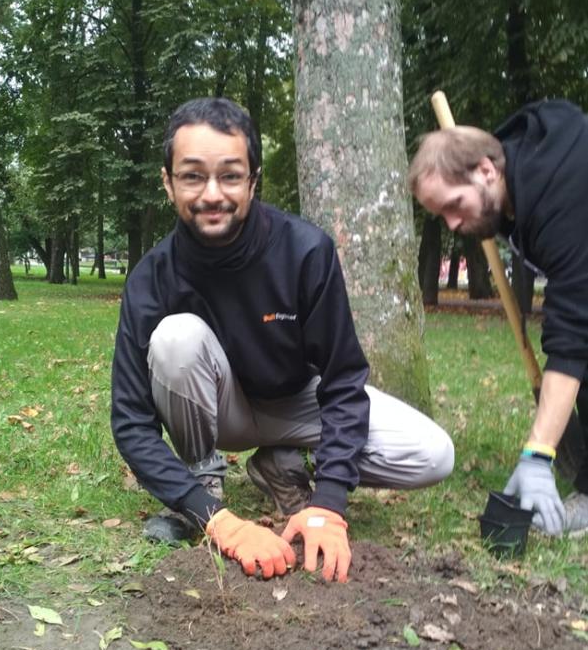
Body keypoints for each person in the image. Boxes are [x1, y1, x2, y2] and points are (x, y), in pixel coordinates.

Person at [111, 97, 454, 582]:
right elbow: (131, 423)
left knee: (432, 453)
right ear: (167, 183)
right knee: (175, 338)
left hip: (297, 402)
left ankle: (286, 465)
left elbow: (342, 381)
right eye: (192, 176)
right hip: (219, 408)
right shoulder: (151, 279)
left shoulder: (306, 251)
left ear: (253, 181)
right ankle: (203, 481)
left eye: (230, 175)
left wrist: (330, 502)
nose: (212, 193)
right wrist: (217, 520)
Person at [408, 98, 588, 538]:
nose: (451, 224)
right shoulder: (512, 185)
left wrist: (538, 453)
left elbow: (572, 335)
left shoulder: (561, 191)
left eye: (454, 204)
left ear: (487, 171)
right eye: (441, 214)